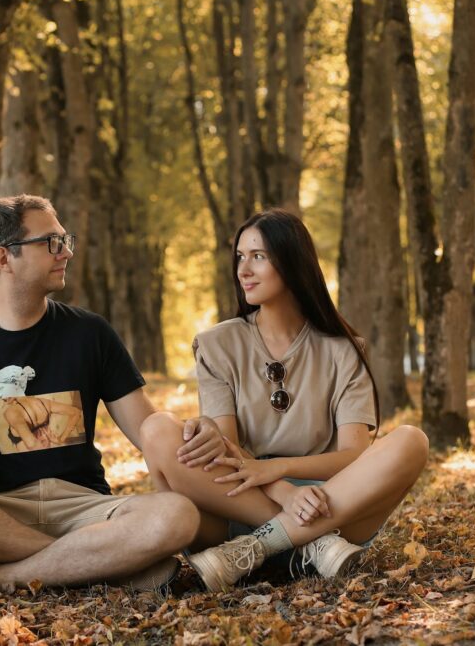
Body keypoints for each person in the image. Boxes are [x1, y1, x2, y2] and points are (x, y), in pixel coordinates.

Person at [0, 195, 226, 596]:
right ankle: (101, 566)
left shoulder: (90, 333)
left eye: (65, 240)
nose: (65, 252)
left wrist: (191, 429)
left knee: (178, 515)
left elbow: (146, 425)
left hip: (86, 509)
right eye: (50, 243)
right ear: (4, 258)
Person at [140, 208, 430, 592]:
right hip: (238, 504)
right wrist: (285, 492)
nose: (244, 269)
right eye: (240, 257)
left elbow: (353, 456)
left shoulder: (344, 350)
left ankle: (259, 547)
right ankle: (311, 544)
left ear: (293, 261)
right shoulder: (216, 345)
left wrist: (279, 469)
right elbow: (226, 451)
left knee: (412, 439)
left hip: (332, 507)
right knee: (157, 428)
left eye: (258, 256)